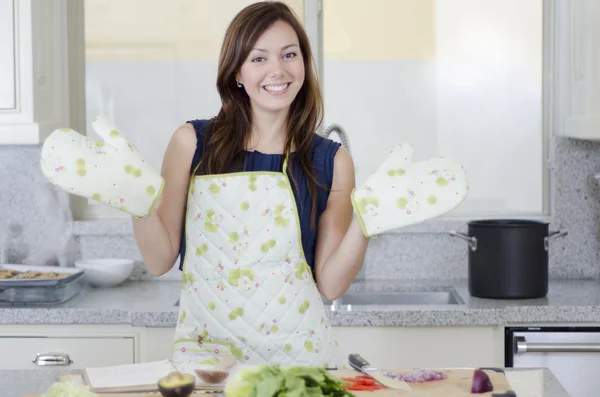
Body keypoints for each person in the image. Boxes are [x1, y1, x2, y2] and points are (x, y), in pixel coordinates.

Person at [39, 1, 468, 368]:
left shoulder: (332, 160)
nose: (277, 70)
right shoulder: (191, 142)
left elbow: (331, 284)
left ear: (304, 64)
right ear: (237, 72)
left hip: (298, 363)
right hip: (208, 363)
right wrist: (134, 202)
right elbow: (158, 260)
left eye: (289, 54)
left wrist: (366, 222)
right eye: (259, 58)